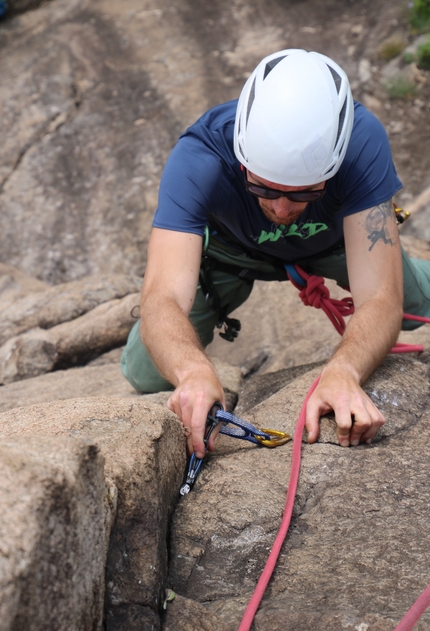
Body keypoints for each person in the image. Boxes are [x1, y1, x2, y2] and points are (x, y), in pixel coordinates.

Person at [121, 48, 430, 458]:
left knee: (411, 301)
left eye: (304, 192)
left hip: (333, 240)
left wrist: (345, 371)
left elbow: (380, 298)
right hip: (231, 254)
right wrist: (193, 372)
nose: (281, 209)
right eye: (264, 188)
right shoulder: (200, 157)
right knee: (145, 371)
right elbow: (162, 297)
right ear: (242, 157)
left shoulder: (361, 143)